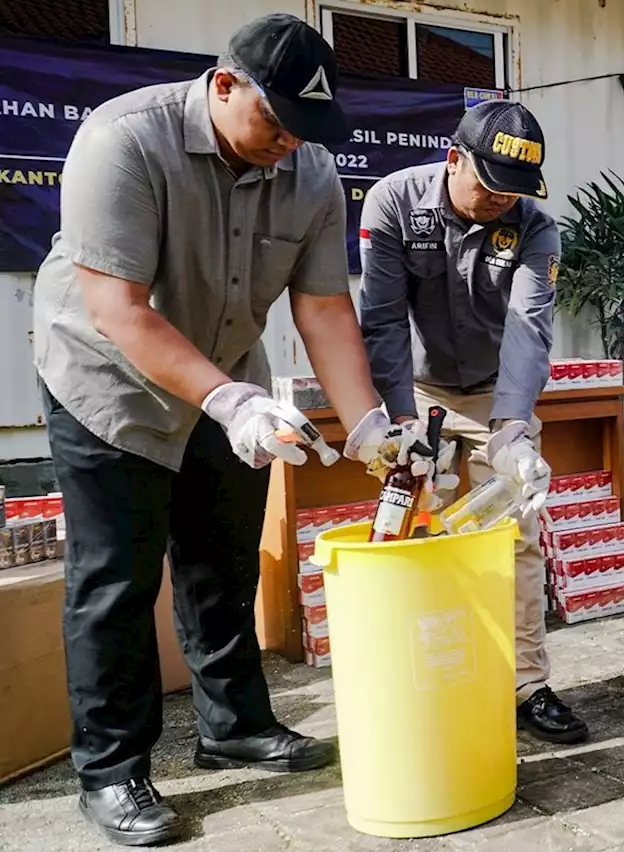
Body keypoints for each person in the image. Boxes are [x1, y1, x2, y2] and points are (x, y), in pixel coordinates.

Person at [31, 14, 447, 847]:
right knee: (115, 583)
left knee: (222, 564)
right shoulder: (123, 142)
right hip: (107, 385)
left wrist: (368, 425)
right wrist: (231, 404)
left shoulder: (313, 172)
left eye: (303, 131)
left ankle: (232, 728)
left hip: (230, 380)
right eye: (275, 121)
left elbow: (324, 308)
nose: (288, 144)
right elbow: (118, 309)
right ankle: (112, 771)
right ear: (224, 85)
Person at [357, 99, 589, 745]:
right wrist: (400, 419)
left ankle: (527, 686)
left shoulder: (536, 227)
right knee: (418, 534)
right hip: (420, 393)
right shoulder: (393, 202)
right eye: (489, 186)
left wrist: (513, 427)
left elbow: (528, 328)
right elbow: (380, 316)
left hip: (495, 395)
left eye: (511, 192)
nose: (498, 202)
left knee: (513, 536)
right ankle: (431, 679)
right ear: (454, 157)